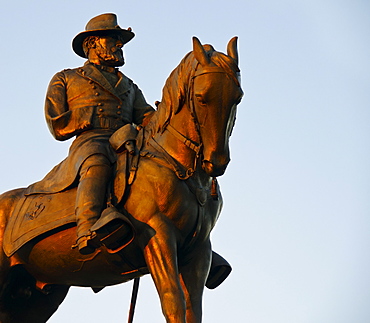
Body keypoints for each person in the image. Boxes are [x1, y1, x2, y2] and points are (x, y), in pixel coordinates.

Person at [44, 13, 155, 254]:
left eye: (120, 41)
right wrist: (90, 116)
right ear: (92, 43)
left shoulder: (130, 86)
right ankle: (87, 227)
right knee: (97, 160)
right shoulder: (67, 78)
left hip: (128, 142)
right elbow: (56, 122)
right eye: (113, 39)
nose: (119, 44)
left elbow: (146, 117)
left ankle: (190, 237)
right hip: (91, 141)